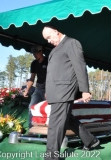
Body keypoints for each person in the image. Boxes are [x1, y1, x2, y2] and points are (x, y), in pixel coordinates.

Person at [42, 25, 99, 160]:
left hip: (64, 90)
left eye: (49, 37)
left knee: (55, 126)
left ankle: (51, 157)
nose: (49, 41)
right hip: (56, 91)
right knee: (67, 120)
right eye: (46, 39)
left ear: (56, 31)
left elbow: (80, 67)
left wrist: (85, 90)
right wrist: (48, 90)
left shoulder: (71, 43)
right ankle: (91, 140)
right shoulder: (56, 49)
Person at [24, 45, 48, 128]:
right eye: (33, 53)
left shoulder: (49, 61)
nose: (34, 55)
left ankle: (47, 131)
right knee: (31, 107)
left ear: (41, 52)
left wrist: (49, 91)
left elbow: (53, 77)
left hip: (48, 90)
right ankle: (31, 130)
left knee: (47, 109)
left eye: (36, 53)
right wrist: (27, 90)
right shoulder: (34, 63)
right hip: (38, 89)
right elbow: (32, 78)